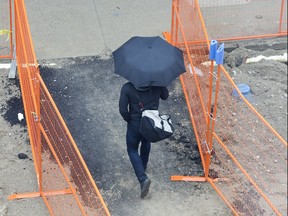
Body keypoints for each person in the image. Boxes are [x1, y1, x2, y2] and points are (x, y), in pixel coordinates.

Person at [119, 82, 169, 198]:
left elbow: (123, 110)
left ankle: (143, 178)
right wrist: (162, 83)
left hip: (135, 123)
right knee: (146, 142)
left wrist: (130, 120)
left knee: (132, 149)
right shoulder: (157, 83)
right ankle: (143, 166)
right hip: (151, 122)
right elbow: (165, 96)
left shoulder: (127, 87)